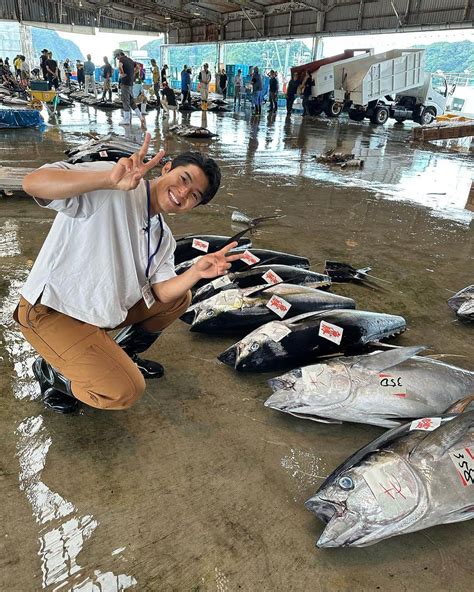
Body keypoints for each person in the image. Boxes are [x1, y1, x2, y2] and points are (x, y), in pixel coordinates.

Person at [16, 133, 240, 414]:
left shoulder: (163, 237)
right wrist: (107, 179)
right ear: (167, 168)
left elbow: (161, 292)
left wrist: (195, 271)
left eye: (195, 195)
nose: (183, 193)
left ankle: (122, 354)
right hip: (51, 311)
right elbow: (32, 183)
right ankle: (51, 371)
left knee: (180, 297)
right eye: (184, 179)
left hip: (96, 313)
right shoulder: (115, 183)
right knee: (123, 390)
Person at [114, 49, 146, 129]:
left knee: (125, 100)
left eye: (117, 57)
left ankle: (126, 120)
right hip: (131, 83)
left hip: (125, 83)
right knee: (131, 101)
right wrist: (133, 74)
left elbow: (120, 66)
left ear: (119, 55)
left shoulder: (122, 59)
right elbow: (138, 67)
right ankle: (141, 117)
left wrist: (122, 73)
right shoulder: (130, 60)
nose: (117, 59)